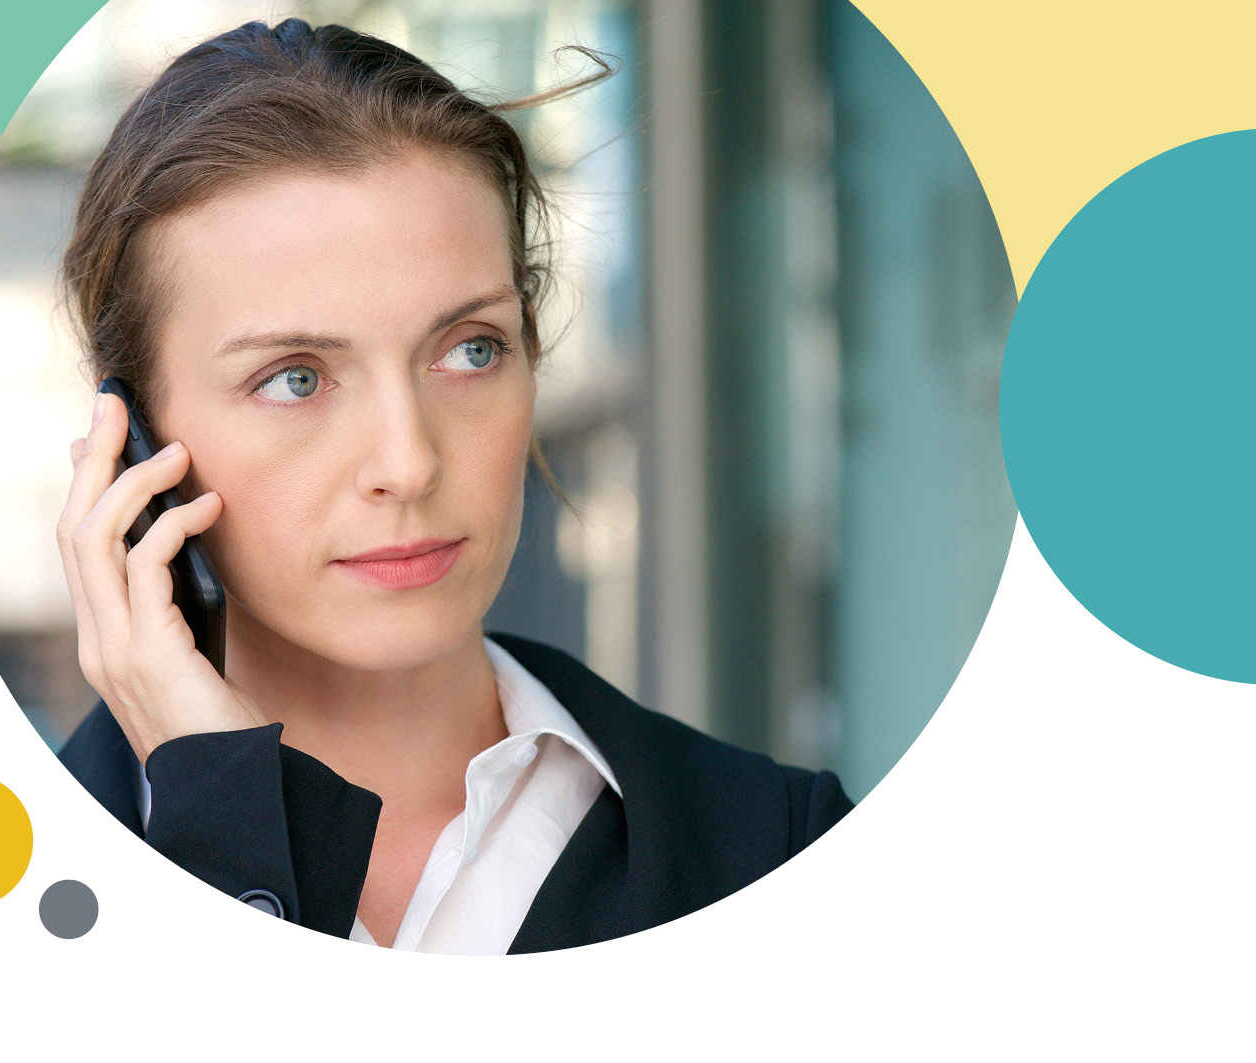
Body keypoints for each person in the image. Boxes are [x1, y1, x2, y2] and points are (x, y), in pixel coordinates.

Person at [52, 17, 851, 954]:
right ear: (130, 434)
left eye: (469, 351)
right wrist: (225, 817)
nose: (408, 463)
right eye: (295, 378)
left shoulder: (774, 848)